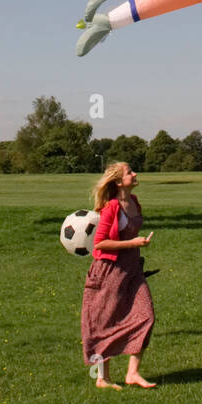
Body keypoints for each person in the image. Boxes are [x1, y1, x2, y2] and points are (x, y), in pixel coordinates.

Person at [80, 162, 156, 389]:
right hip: (109, 272)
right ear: (118, 182)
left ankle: (132, 373)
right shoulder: (111, 207)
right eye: (129, 172)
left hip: (132, 270)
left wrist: (135, 245)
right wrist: (132, 242)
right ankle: (102, 378)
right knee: (105, 321)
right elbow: (99, 242)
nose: (135, 174)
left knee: (147, 316)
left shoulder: (133, 202)